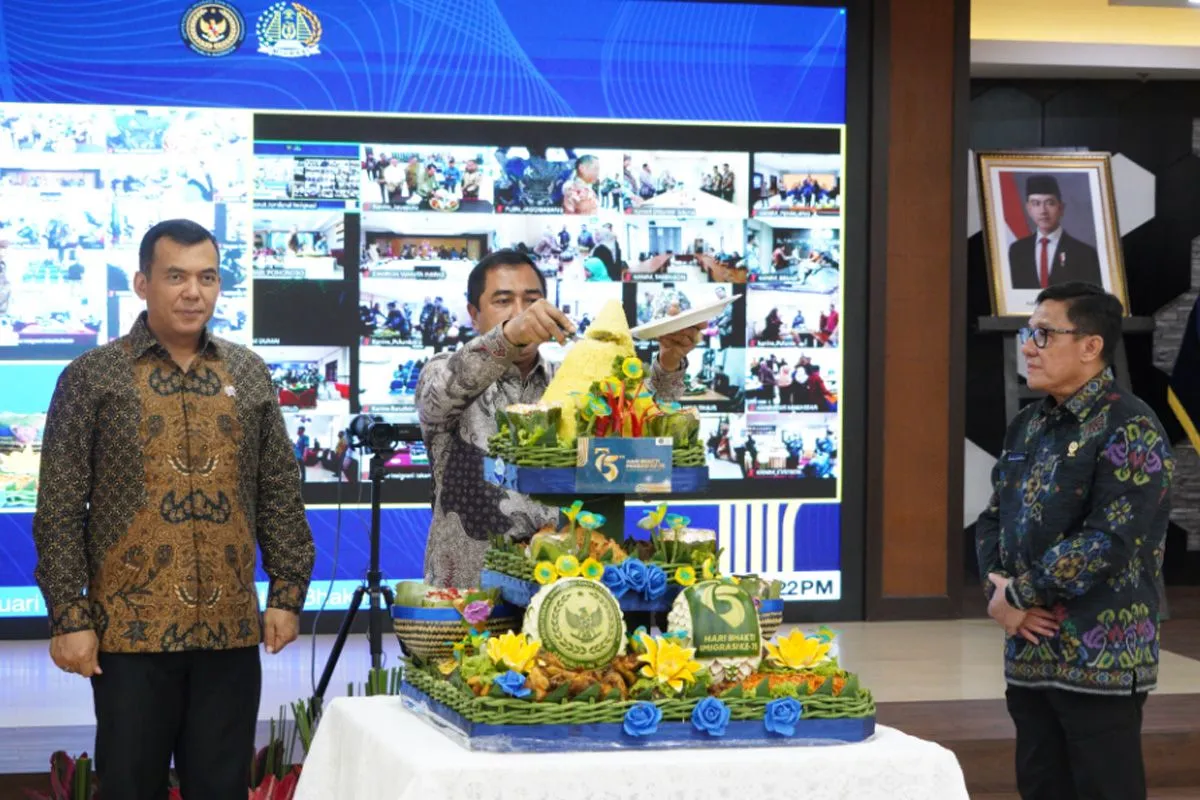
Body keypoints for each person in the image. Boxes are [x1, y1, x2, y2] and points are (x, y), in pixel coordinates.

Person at [32, 219, 315, 800]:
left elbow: (279, 492)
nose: (193, 292)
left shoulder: (248, 373)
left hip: (230, 635)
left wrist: (287, 594)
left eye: (207, 278)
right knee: (129, 787)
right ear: (142, 283)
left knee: (222, 788)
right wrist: (69, 616)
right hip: (128, 639)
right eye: (176, 277)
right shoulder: (92, 377)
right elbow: (58, 508)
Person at [975, 281, 1171, 800]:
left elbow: (1109, 539)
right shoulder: (1027, 425)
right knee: (1040, 786)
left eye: (1043, 334)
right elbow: (994, 518)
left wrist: (1019, 594)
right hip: (1029, 649)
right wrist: (998, 594)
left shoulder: (1131, 426)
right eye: (1027, 333)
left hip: (1100, 655)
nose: (1028, 347)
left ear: (1090, 346)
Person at [415, 249, 700, 587]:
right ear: (474, 315)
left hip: (567, 591)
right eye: (503, 301)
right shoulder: (444, 372)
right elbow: (437, 396)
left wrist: (668, 363)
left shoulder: (575, 382)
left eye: (531, 300)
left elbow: (636, 436)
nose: (521, 313)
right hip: (468, 593)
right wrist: (508, 335)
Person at [1008, 175, 1103, 290]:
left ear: (1061, 208)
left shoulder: (1085, 254)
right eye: (1036, 203)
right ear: (1028, 209)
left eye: (1050, 203)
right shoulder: (1017, 250)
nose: (1043, 211)